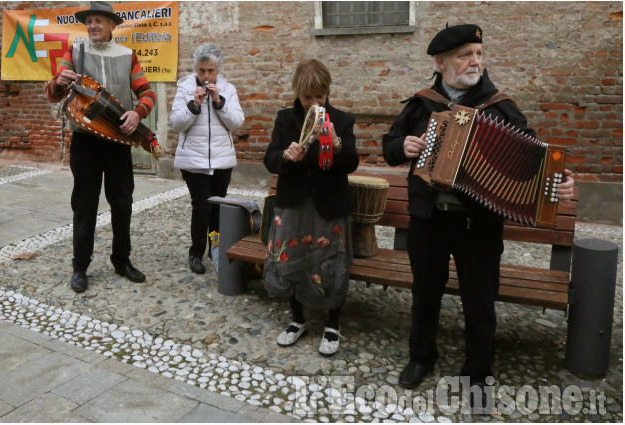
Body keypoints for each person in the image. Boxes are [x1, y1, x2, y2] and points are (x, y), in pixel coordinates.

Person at [382, 24, 575, 394]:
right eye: (465, 54)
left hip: (479, 225)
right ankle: (421, 357)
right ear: (440, 63)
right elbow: (390, 144)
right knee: (425, 293)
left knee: (479, 300)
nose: (476, 62)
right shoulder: (423, 104)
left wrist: (560, 179)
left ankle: (478, 373)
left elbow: (533, 157)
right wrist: (401, 146)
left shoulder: (500, 106)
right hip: (429, 219)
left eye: (479, 53)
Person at [45, 1, 156, 293]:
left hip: (118, 142)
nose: (93, 26)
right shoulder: (75, 51)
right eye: (89, 21)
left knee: (122, 203)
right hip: (85, 142)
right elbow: (53, 93)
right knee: (84, 205)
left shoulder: (127, 56)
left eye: (99, 21)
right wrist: (58, 81)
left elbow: (146, 92)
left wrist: (137, 113)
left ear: (112, 26)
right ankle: (80, 267)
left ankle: (122, 260)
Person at [263, 59, 359, 356]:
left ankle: (332, 323)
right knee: (291, 257)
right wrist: (285, 156)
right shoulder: (284, 120)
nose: (314, 102)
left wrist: (339, 147)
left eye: (320, 96)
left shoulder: (341, 120)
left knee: (330, 262)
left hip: (328, 205)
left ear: (328, 92)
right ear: (297, 93)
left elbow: (352, 163)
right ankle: (298, 319)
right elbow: (270, 159)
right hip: (293, 202)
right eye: (308, 97)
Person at [169, 43, 245, 275]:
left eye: (211, 71)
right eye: (202, 70)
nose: (206, 76)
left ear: (218, 70)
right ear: (196, 68)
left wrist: (219, 102)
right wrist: (195, 105)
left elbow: (237, 122)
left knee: (218, 206)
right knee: (201, 206)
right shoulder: (184, 89)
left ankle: (217, 248)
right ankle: (196, 253)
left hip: (221, 159)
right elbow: (176, 124)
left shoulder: (228, 90)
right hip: (193, 159)